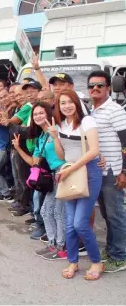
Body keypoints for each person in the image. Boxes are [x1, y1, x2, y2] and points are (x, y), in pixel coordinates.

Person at [51, 89, 103, 280]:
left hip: (88, 173)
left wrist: (70, 170)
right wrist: (56, 137)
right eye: (62, 103)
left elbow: (95, 150)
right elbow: (62, 156)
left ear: (77, 102)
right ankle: (73, 262)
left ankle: (96, 262)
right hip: (69, 173)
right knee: (70, 225)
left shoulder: (87, 121)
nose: (66, 106)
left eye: (69, 102)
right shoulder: (62, 124)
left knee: (81, 223)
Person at [12, 102, 66, 260]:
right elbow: (33, 162)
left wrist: (55, 136)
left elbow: (68, 153)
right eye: (35, 114)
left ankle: (61, 248)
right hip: (53, 177)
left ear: (48, 114)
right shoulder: (41, 137)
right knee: (45, 212)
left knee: (58, 213)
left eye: (41, 113)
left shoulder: (58, 130)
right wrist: (18, 148)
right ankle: (53, 244)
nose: (37, 116)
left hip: (64, 174)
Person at [88, 70, 126, 273]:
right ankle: (112, 250)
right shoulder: (92, 111)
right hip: (98, 172)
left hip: (113, 170)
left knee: (116, 214)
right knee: (107, 213)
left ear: (108, 88)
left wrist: (124, 171)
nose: (95, 88)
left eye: (100, 85)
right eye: (92, 85)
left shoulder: (115, 110)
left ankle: (120, 256)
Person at [1, 85, 33, 217]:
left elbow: (9, 122)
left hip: (24, 145)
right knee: (19, 176)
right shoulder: (18, 107)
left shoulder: (28, 107)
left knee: (23, 177)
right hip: (16, 144)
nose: (16, 96)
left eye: (19, 94)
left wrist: (3, 116)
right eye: (14, 94)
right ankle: (21, 202)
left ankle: (25, 205)